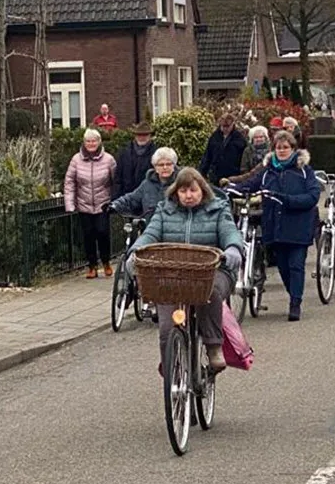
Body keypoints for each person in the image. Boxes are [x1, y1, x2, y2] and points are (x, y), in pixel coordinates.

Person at [128, 168, 243, 371]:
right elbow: (150, 234)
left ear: (203, 191)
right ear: (176, 192)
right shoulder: (164, 210)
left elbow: (229, 231)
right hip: (172, 273)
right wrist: (136, 251)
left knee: (211, 292)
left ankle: (213, 346)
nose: (188, 196)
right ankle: (171, 363)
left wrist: (233, 248)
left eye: (193, 190)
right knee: (166, 326)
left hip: (211, 271)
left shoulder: (218, 209)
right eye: (183, 191)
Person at [231, 131, 320, 321]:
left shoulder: (304, 171)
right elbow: (250, 184)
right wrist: (230, 189)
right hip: (275, 227)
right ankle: (293, 293)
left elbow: (312, 196)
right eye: (279, 147)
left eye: (285, 147)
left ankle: (295, 302)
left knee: (296, 265)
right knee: (283, 267)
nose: (282, 151)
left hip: (298, 227)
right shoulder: (267, 172)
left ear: (293, 149)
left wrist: (287, 200)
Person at [65, 129, 118, 279]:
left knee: (102, 233)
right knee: (88, 236)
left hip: (103, 203)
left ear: (99, 142)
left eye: (94, 141)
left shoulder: (108, 159)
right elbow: (69, 182)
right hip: (84, 204)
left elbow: (116, 181)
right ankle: (92, 266)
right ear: (84, 143)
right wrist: (70, 204)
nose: (91, 144)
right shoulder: (76, 160)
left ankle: (106, 262)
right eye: (88, 141)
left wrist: (115, 201)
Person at [111, 147, 180, 220]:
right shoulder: (147, 184)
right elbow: (132, 199)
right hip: (150, 227)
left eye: (168, 164)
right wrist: (115, 205)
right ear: (155, 167)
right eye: (161, 165)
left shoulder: (181, 183)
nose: (165, 167)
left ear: (174, 165)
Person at [199, 114, 248, 182]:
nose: (225, 129)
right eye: (223, 126)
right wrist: (202, 173)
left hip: (233, 175)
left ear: (232, 124)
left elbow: (244, 158)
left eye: (227, 126)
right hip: (216, 175)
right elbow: (207, 155)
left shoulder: (239, 138)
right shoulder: (214, 137)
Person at [113, 123, 156, 200]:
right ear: (135, 136)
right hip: (127, 197)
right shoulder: (124, 152)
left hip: (148, 198)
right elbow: (118, 179)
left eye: (145, 135)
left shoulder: (156, 153)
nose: (142, 137)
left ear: (150, 136)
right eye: (139, 135)